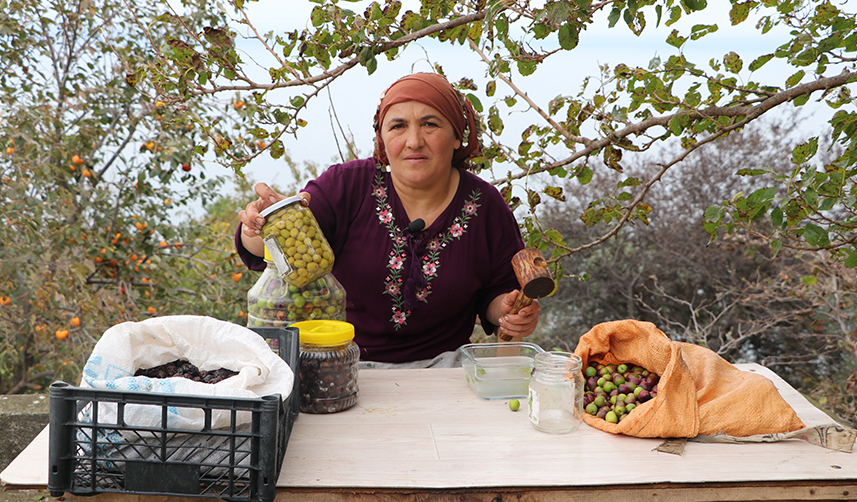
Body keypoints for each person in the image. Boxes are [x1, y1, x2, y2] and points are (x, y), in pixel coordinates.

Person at [236, 72, 540, 367]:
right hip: (340, 366)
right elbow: (282, 247)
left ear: (458, 134)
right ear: (382, 138)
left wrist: (507, 310)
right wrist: (258, 225)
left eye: (430, 124)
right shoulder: (346, 186)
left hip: (445, 375)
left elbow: (499, 293)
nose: (413, 141)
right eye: (398, 127)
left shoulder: (486, 205)